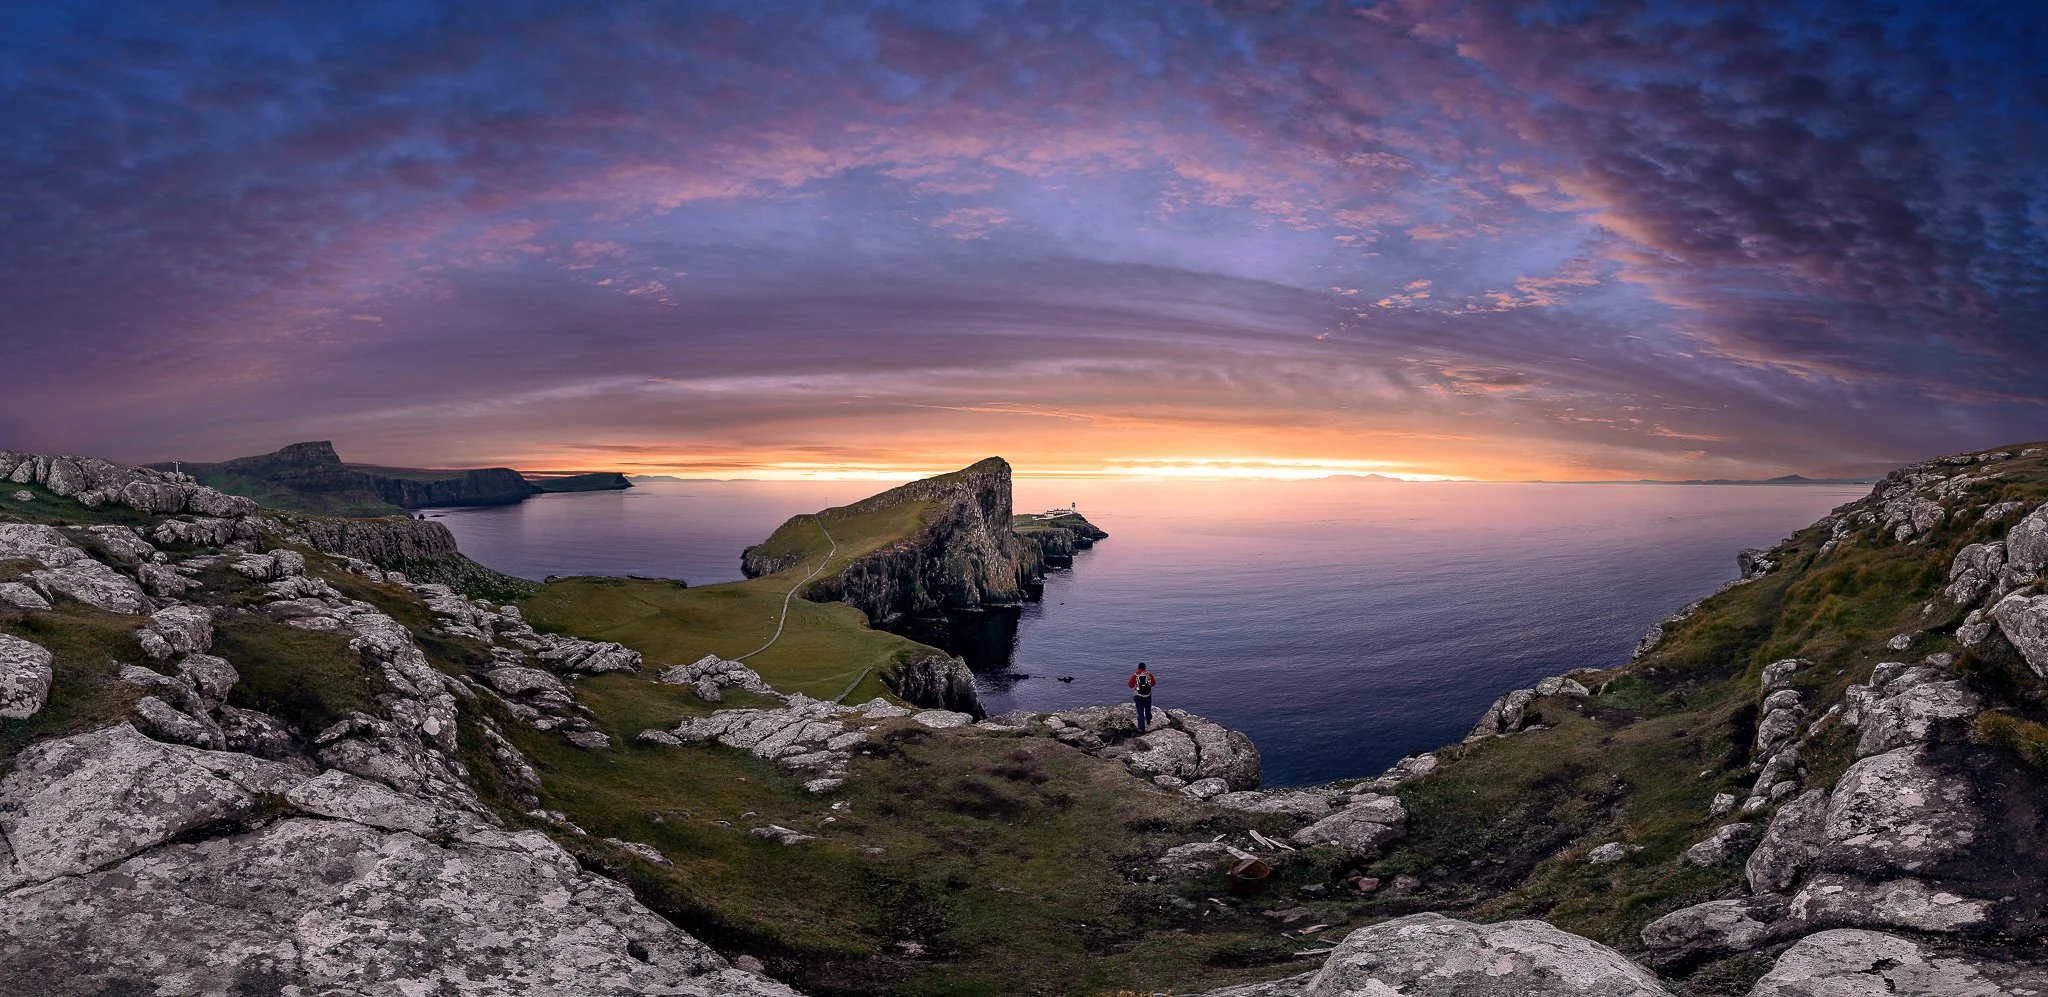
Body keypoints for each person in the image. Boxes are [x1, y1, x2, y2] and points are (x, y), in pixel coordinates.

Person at [1128, 662, 1156, 732]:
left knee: (1140, 711)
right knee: (1148, 709)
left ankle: (1141, 728)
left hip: (1139, 696)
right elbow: (1153, 683)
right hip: (1148, 695)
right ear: (1145, 668)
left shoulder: (1136, 675)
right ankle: (1148, 721)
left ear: (1138, 668)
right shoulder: (1149, 674)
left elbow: (1130, 685)